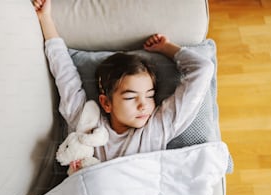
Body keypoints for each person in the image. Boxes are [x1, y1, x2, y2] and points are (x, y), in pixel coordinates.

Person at [33, 0, 214, 173]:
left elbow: (203, 69)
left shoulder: (156, 129)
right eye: (130, 97)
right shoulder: (87, 124)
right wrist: (45, 18)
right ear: (106, 103)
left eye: (150, 95)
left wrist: (167, 48)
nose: (144, 105)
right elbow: (65, 75)